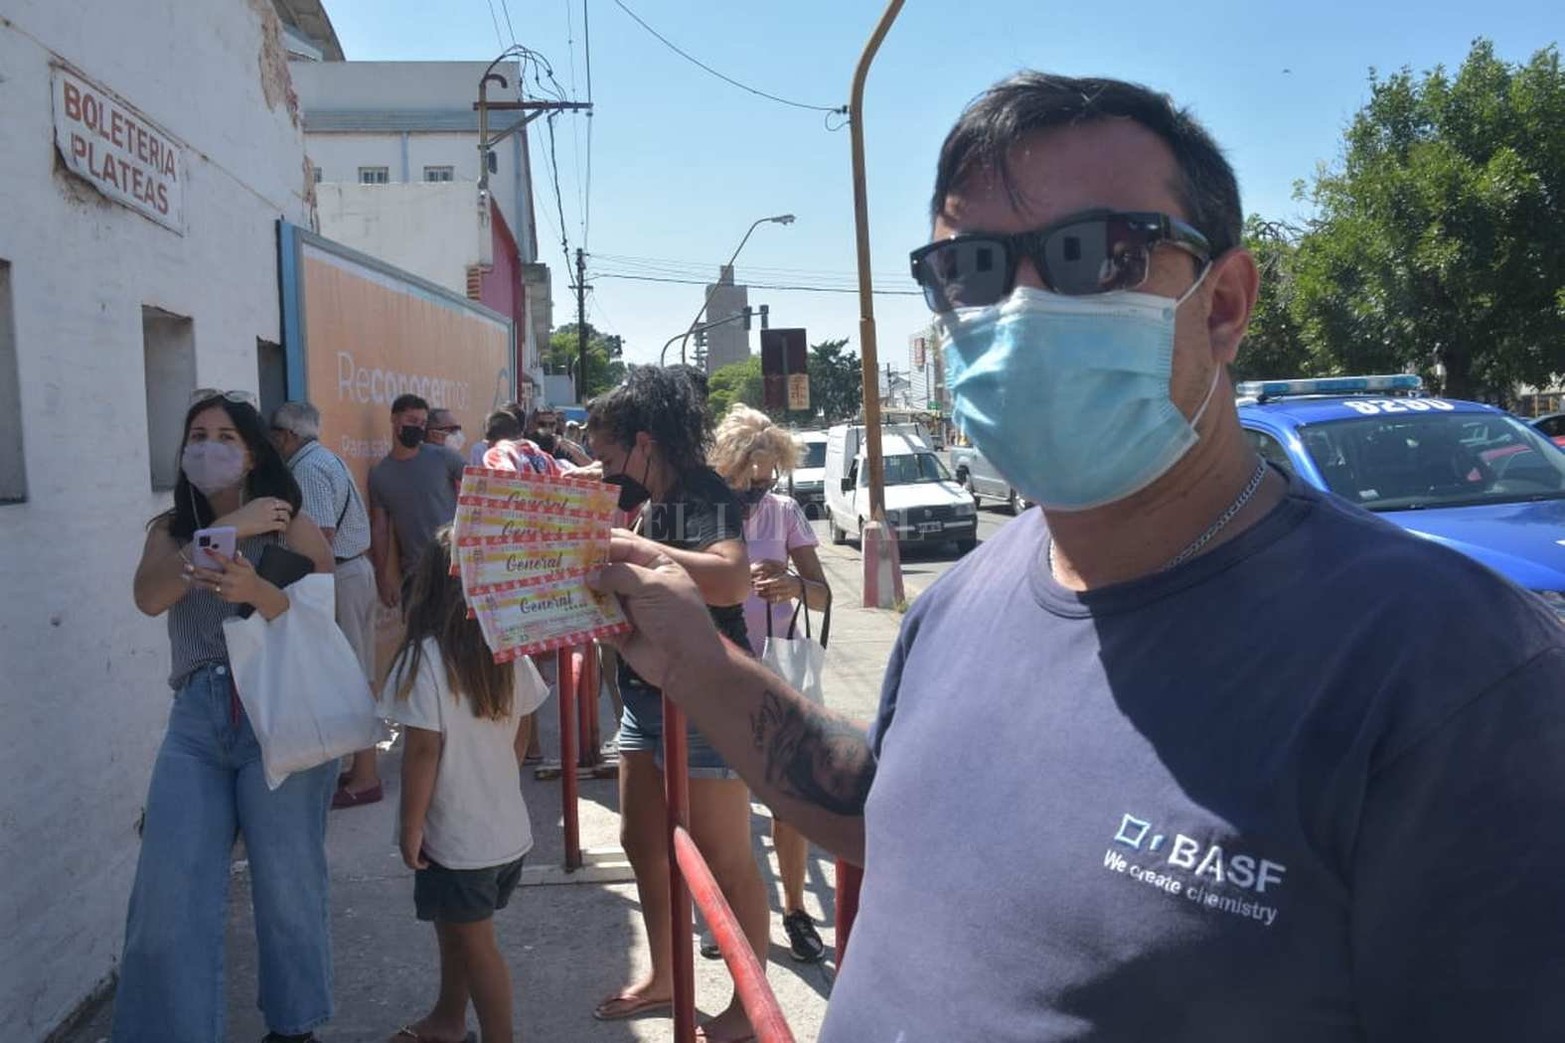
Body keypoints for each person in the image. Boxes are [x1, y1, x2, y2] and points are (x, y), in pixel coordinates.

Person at [587, 72, 1565, 1042]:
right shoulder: (962, 598)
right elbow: (883, 810)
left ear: (1222, 304)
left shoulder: (1452, 671)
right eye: (970, 269)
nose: (1017, 313)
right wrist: (692, 658)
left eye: (1091, 255)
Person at [118, 390, 336, 1043]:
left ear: (250, 453)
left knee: (286, 884)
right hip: (198, 714)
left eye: (224, 436)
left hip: (279, 706)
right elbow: (151, 597)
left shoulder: (289, 522)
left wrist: (259, 590)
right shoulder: (170, 531)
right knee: (167, 889)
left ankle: (294, 1028)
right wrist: (225, 531)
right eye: (196, 434)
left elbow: (320, 617)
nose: (207, 446)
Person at [586, 367, 768, 1043]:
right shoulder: (653, 500)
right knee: (642, 841)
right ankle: (667, 975)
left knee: (724, 858)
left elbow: (728, 579)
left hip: (707, 696)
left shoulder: (699, 493)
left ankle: (749, 1007)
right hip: (648, 695)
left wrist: (634, 549)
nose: (605, 470)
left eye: (608, 456)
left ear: (643, 442)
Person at [378, 528, 549, 1043]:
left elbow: (422, 754)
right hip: (504, 837)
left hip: (457, 842)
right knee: (455, 930)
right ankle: (449, 1019)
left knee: (477, 947)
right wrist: (498, 770)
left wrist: (409, 828)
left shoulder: (422, 659)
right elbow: (524, 727)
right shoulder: (505, 650)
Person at [709, 405, 832, 964]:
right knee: (724, 802)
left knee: (787, 801)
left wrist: (792, 584)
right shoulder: (705, 514)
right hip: (721, 674)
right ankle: (729, 911)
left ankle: (795, 909)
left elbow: (823, 594)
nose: (758, 492)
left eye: (767, 480)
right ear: (726, 469)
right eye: (748, 482)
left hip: (781, 672)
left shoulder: (784, 513)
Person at [271, 401, 385, 809]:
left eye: (274, 434)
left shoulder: (307, 468)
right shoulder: (323, 458)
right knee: (357, 671)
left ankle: (367, 775)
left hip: (340, 577)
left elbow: (320, 538)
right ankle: (361, 768)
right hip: (350, 573)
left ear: (287, 435)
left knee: (351, 675)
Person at [368, 394, 464, 608]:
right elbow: (380, 529)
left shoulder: (443, 457)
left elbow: (480, 485)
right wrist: (382, 577)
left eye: (422, 423)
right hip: (415, 573)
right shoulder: (380, 475)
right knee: (421, 637)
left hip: (454, 566)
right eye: (411, 421)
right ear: (394, 419)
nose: (417, 428)